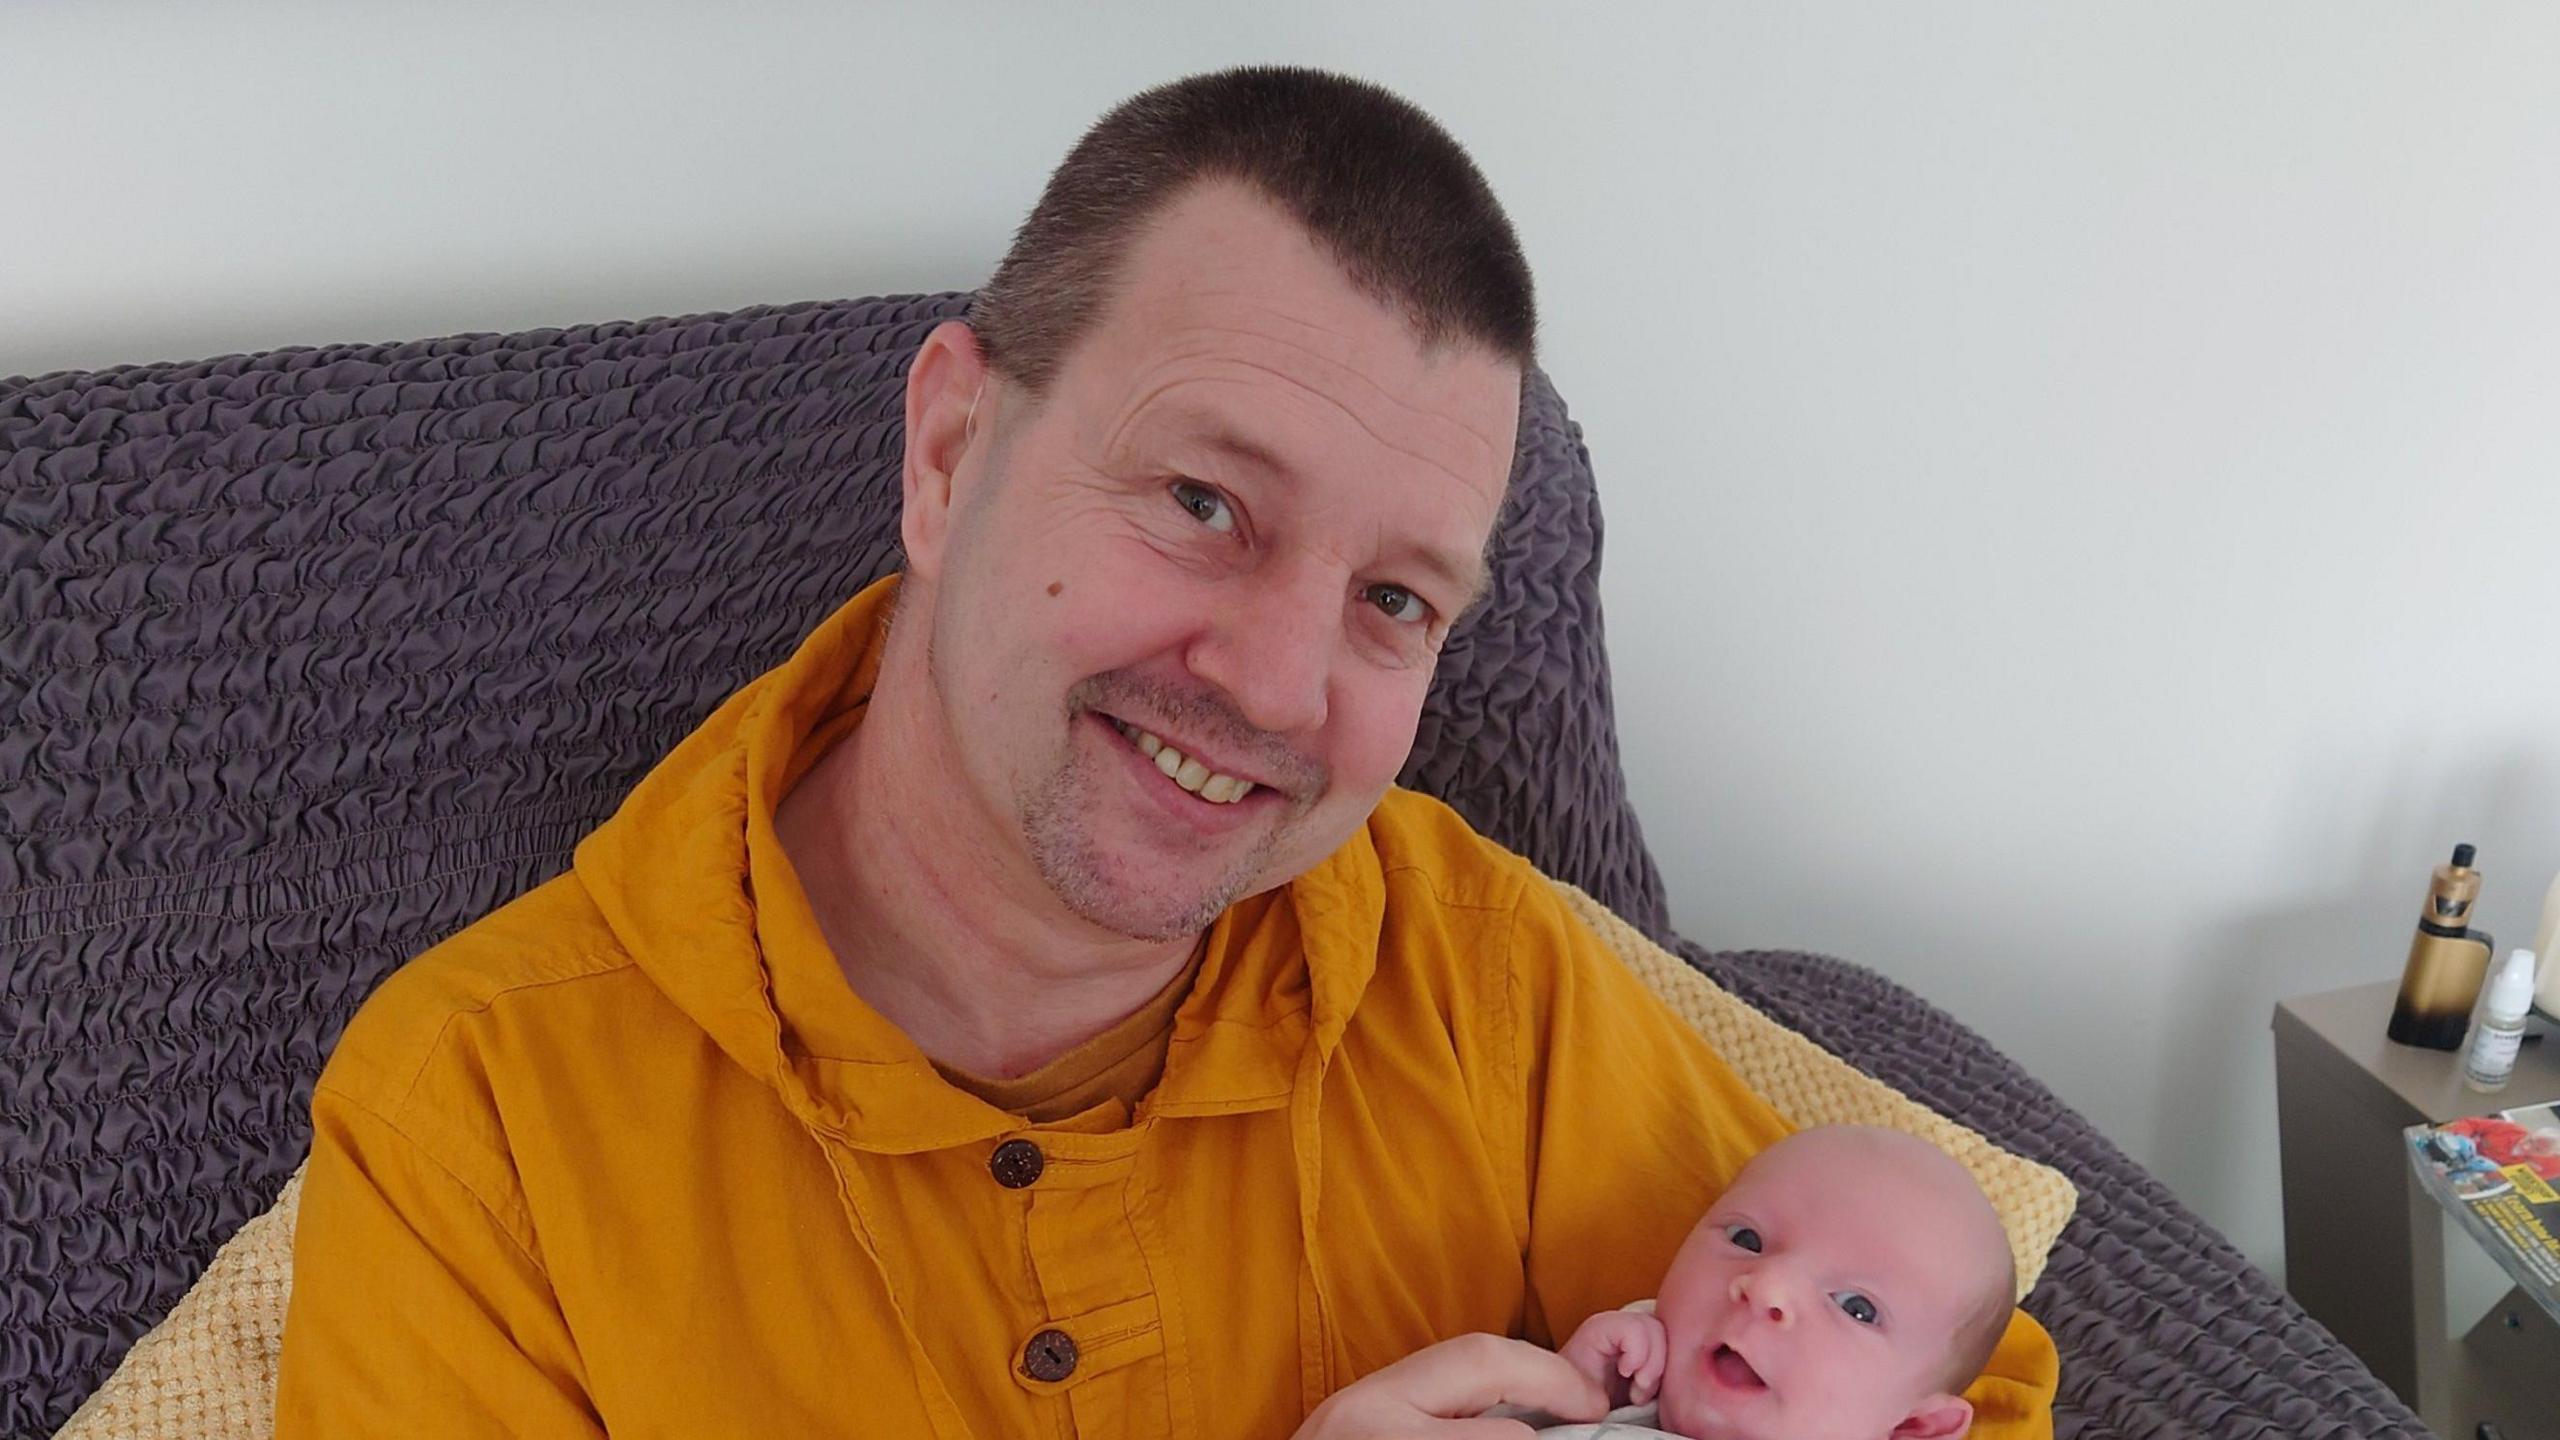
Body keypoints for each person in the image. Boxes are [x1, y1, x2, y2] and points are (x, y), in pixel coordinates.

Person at [274, 65, 2059, 1439]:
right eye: (1207, 501)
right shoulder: (478, 1131)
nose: (1282, 688)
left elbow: (1959, 1379)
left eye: (1395, 601)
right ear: (952, 453)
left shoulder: (1478, 978)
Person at [1471, 1125, 2018, 1440]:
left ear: (1911, 1431)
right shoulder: (1620, 1385)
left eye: (1856, 1307)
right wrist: (1561, 1392)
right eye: (1746, 1240)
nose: (1766, 1285)